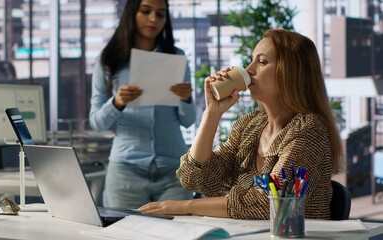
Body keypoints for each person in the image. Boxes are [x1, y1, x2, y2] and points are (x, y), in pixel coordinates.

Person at [138, 29, 345, 220]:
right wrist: (212, 113)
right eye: (251, 61)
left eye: (262, 62)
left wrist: (186, 206)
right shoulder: (250, 125)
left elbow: (268, 203)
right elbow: (195, 178)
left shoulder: (309, 129)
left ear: (291, 72)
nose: (249, 70)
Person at [89, 0, 195, 209]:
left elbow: (188, 121)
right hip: (126, 172)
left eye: (161, 14)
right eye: (146, 11)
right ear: (132, 13)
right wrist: (117, 103)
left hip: (172, 170)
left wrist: (185, 99)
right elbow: (96, 122)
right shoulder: (109, 59)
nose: (154, 19)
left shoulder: (176, 56)